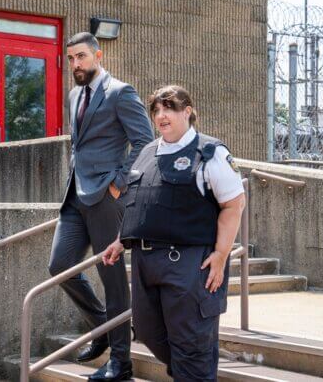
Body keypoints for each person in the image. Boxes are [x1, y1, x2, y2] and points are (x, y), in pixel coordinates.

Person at [102, 85, 246, 381]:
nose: (161, 115)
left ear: (188, 112)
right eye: (156, 109)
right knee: (146, 330)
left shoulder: (210, 153)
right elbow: (139, 205)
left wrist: (221, 254)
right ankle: (189, 372)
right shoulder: (146, 153)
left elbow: (234, 205)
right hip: (146, 262)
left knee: (191, 343)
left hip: (190, 263)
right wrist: (120, 241)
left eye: (169, 108)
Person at [48, 32, 154, 381]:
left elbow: (144, 143)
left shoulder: (120, 92)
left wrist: (117, 184)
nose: (75, 65)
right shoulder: (74, 94)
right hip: (75, 195)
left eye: (81, 57)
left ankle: (121, 362)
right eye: (71, 59)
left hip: (107, 198)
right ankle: (104, 328)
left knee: (112, 279)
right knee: (60, 265)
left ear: (98, 55)